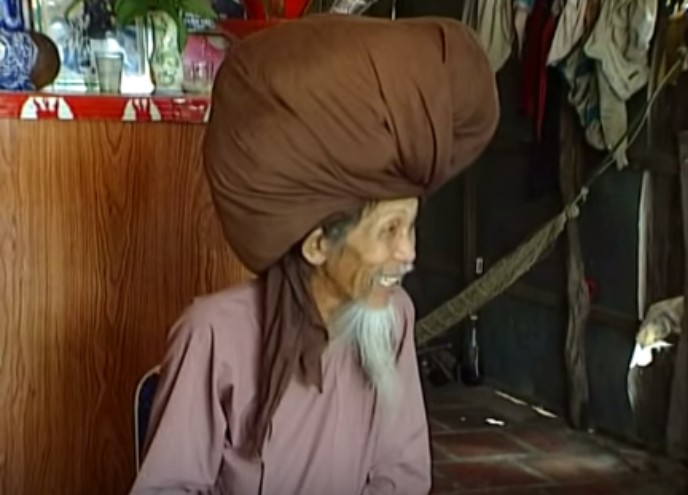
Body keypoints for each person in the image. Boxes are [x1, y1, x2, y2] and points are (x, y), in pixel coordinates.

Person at [130, 12, 499, 495]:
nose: (409, 251)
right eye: (389, 229)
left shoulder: (395, 319)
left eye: (411, 225)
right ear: (318, 244)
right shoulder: (215, 334)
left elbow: (401, 475)